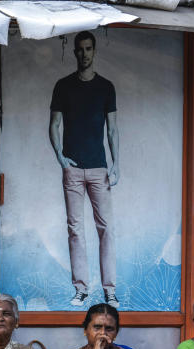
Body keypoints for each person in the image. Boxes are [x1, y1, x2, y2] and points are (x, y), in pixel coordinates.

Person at [49, 30, 120, 308]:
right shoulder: (63, 86)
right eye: (80, 49)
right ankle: (81, 289)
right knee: (76, 230)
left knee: (107, 229)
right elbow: (54, 124)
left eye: (89, 48)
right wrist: (60, 158)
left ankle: (109, 290)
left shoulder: (106, 87)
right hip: (73, 170)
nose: (84, 53)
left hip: (99, 168)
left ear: (94, 51)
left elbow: (113, 129)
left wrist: (117, 165)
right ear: (75, 52)